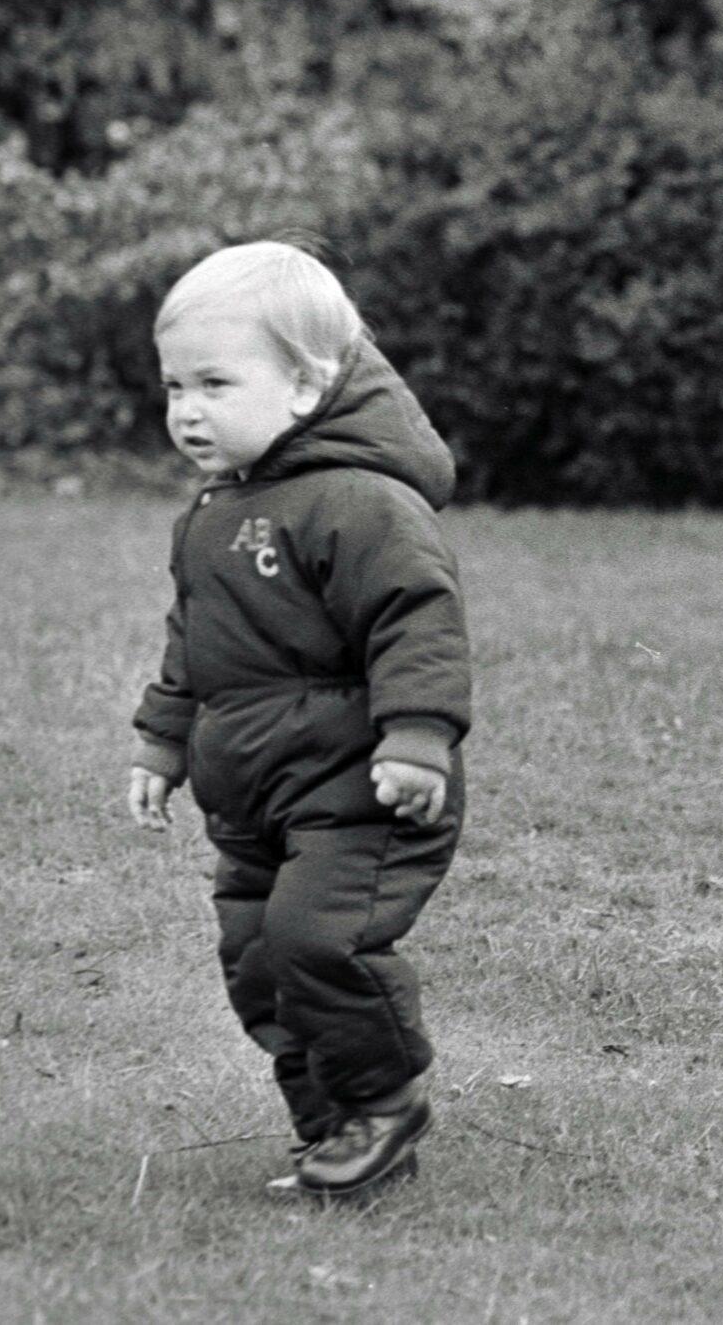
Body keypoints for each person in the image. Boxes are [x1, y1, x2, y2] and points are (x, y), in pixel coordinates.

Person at [127, 240, 470, 1201]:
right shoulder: (210, 513)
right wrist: (161, 739)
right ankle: (333, 1129)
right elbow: (194, 635)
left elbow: (417, 620)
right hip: (251, 794)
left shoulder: (362, 503)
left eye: (215, 382)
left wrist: (417, 737)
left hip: (361, 786)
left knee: (319, 942)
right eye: (173, 385)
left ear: (307, 386)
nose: (186, 409)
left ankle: (386, 1097)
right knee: (258, 963)